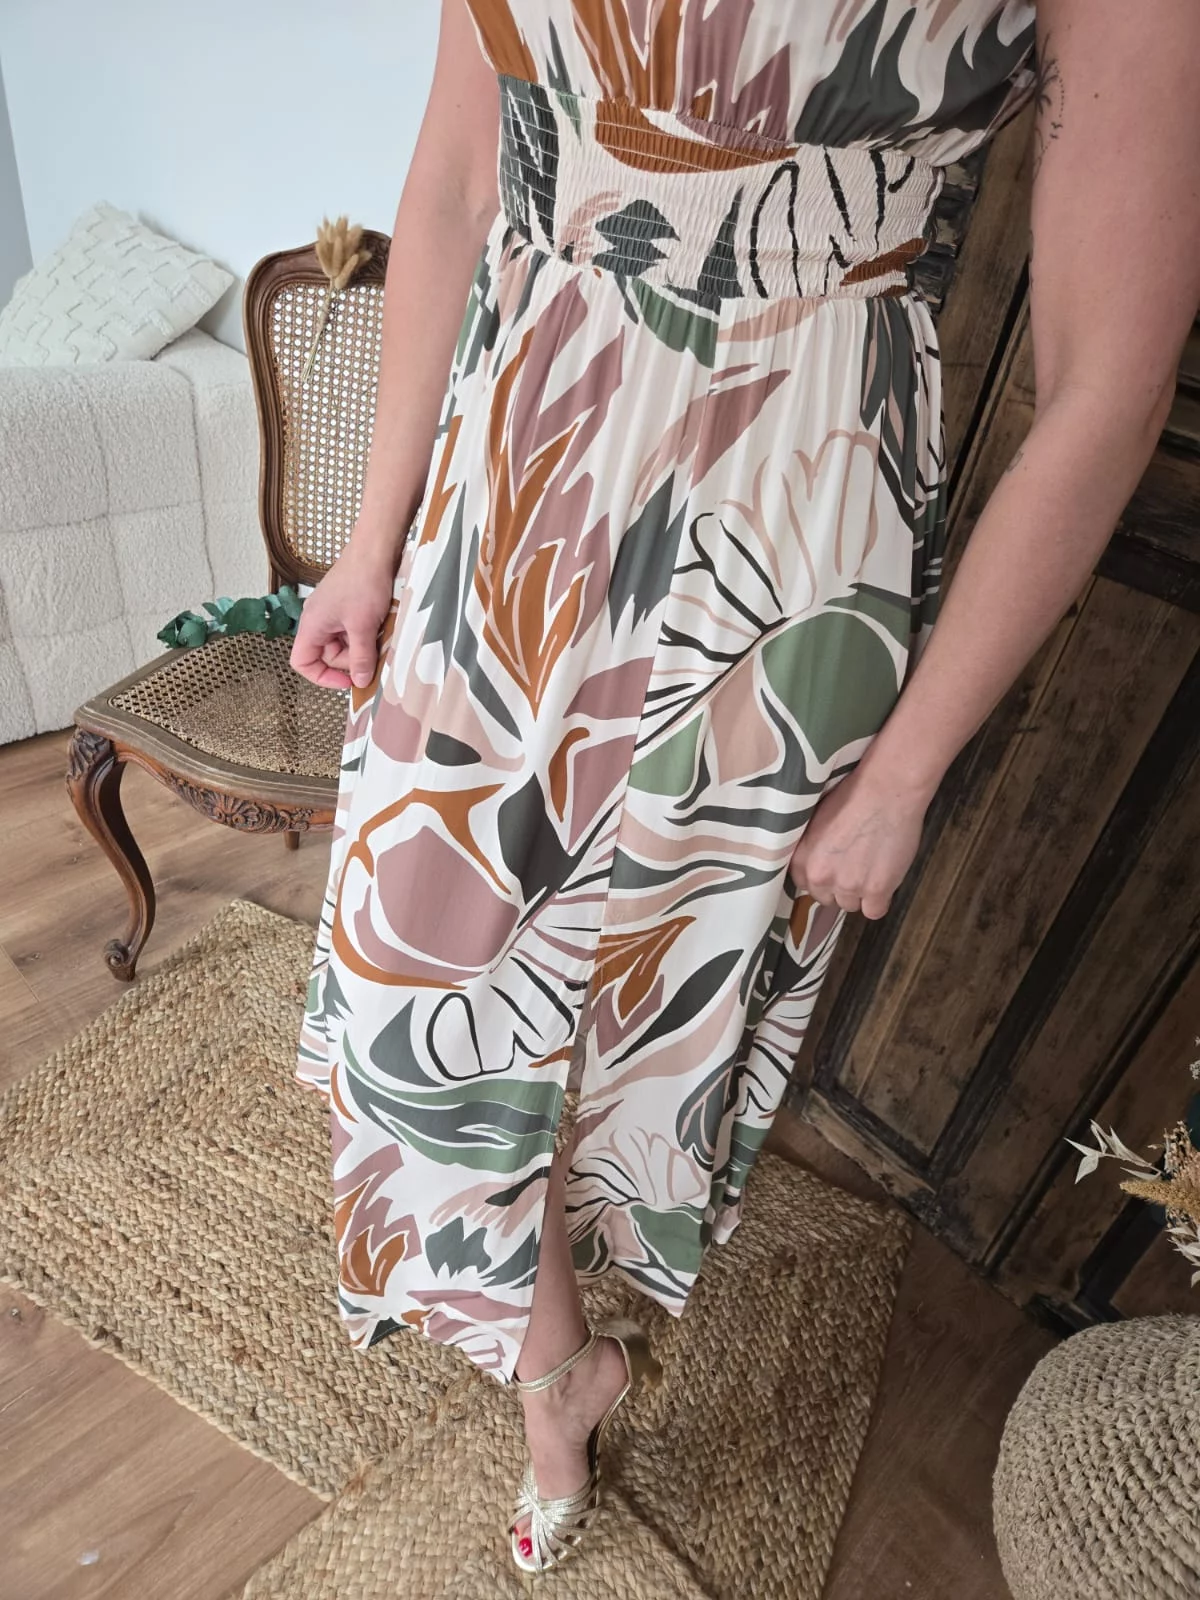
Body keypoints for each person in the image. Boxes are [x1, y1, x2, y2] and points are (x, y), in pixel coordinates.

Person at [290, 0, 1200, 1574]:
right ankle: (560, 1363)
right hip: (510, 474)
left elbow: (1107, 378)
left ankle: (555, 1372)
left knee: (630, 1013)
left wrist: (905, 771)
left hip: (782, 515)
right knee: (409, 1000)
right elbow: (451, 181)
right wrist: (370, 540)